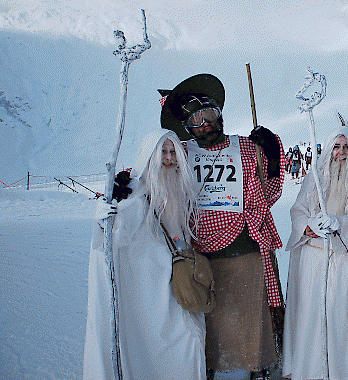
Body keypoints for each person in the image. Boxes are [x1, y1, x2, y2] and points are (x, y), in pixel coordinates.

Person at [160, 73, 284, 380]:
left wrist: (271, 155)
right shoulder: (183, 153)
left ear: (220, 114)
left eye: (210, 115)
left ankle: (261, 364)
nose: (205, 124)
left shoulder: (245, 147)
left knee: (254, 311)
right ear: (187, 129)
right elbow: (158, 177)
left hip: (246, 245)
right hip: (203, 248)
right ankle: (212, 364)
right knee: (212, 313)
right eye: (196, 121)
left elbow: (269, 192)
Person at [83, 129, 206, 380]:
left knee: (189, 343)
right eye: (163, 152)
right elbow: (112, 236)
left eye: (173, 152)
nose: (169, 159)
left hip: (176, 286)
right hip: (149, 296)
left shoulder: (178, 193)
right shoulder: (136, 198)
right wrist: (104, 215)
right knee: (174, 347)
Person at [283, 126, 348, 380]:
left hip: (342, 258)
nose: (342, 153)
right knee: (310, 315)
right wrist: (308, 226)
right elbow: (298, 210)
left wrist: (340, 224)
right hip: (312, 259)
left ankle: (342, 371)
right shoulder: (315, 177)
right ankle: (309, 370)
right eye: (337, 147)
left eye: (346, 147)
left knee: (338, 316)